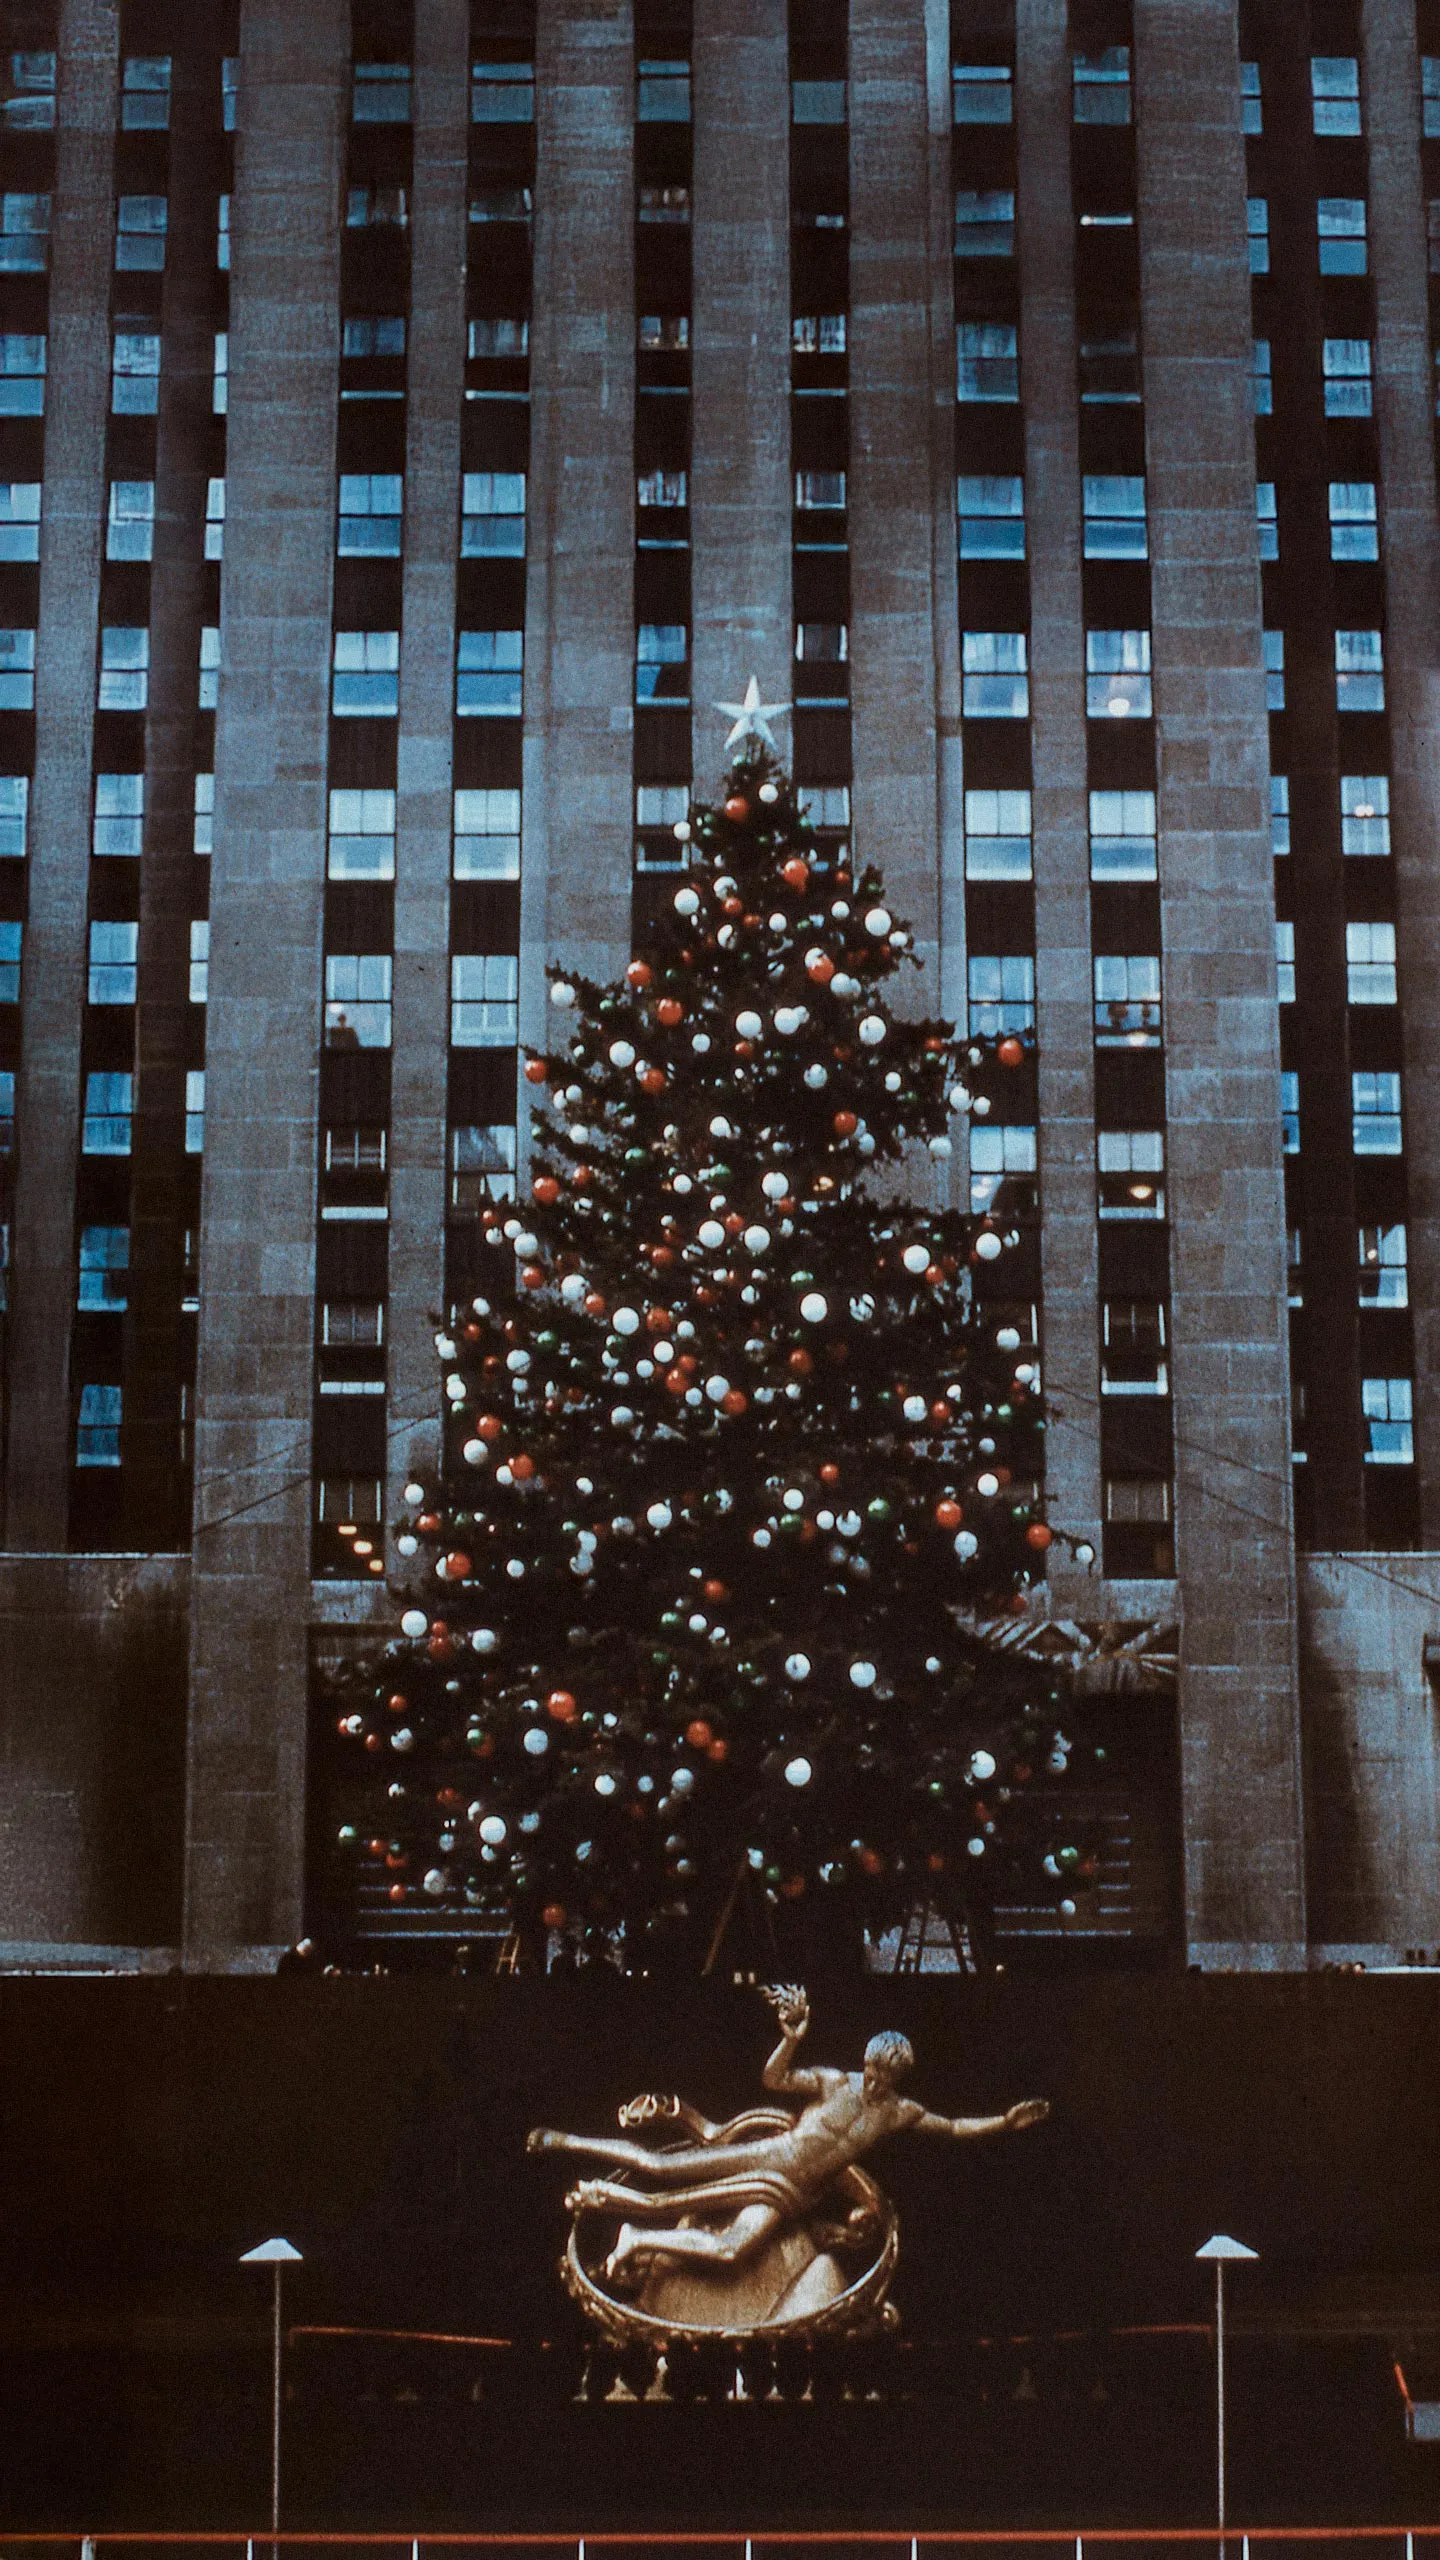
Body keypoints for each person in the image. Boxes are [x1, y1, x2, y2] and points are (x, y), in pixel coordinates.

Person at [527, 1982, 1048, 2282]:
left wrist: (1003, 2121)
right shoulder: (831, 2081)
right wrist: (791, 2039)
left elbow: (954, 2128)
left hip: (792, 2192)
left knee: (732, 2249)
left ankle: (637, 2238)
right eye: (870, 2070)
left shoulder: (899, 2112)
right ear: (864, 2062)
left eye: (884, 2077)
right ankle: (567, 2141)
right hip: (769, 2155)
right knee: (659, 2167)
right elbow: (773, 2080)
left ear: (896, 2079)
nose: (873, 2081)